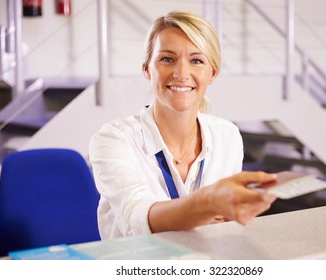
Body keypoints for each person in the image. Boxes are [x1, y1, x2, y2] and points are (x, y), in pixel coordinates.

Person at [89, 10, 277, 240]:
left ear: (212, 74)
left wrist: (206, 214)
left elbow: (226, 225)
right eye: (167, 59)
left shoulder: (227, 135)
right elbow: (137, 221)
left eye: (196, 61)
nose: (181, 73)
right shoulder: (113, 139)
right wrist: (207, 206)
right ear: (148, 69)